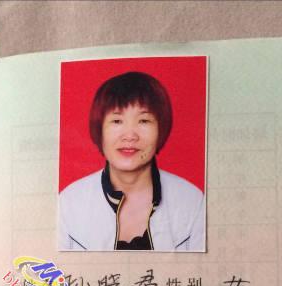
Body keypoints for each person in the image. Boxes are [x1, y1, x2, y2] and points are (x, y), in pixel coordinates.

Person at [58, 71, 205, 251]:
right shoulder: (69, 203)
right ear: (100, 129)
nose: (130, 135)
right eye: (117, 121)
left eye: (143, 121)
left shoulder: (192, 201)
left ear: (161, 129)